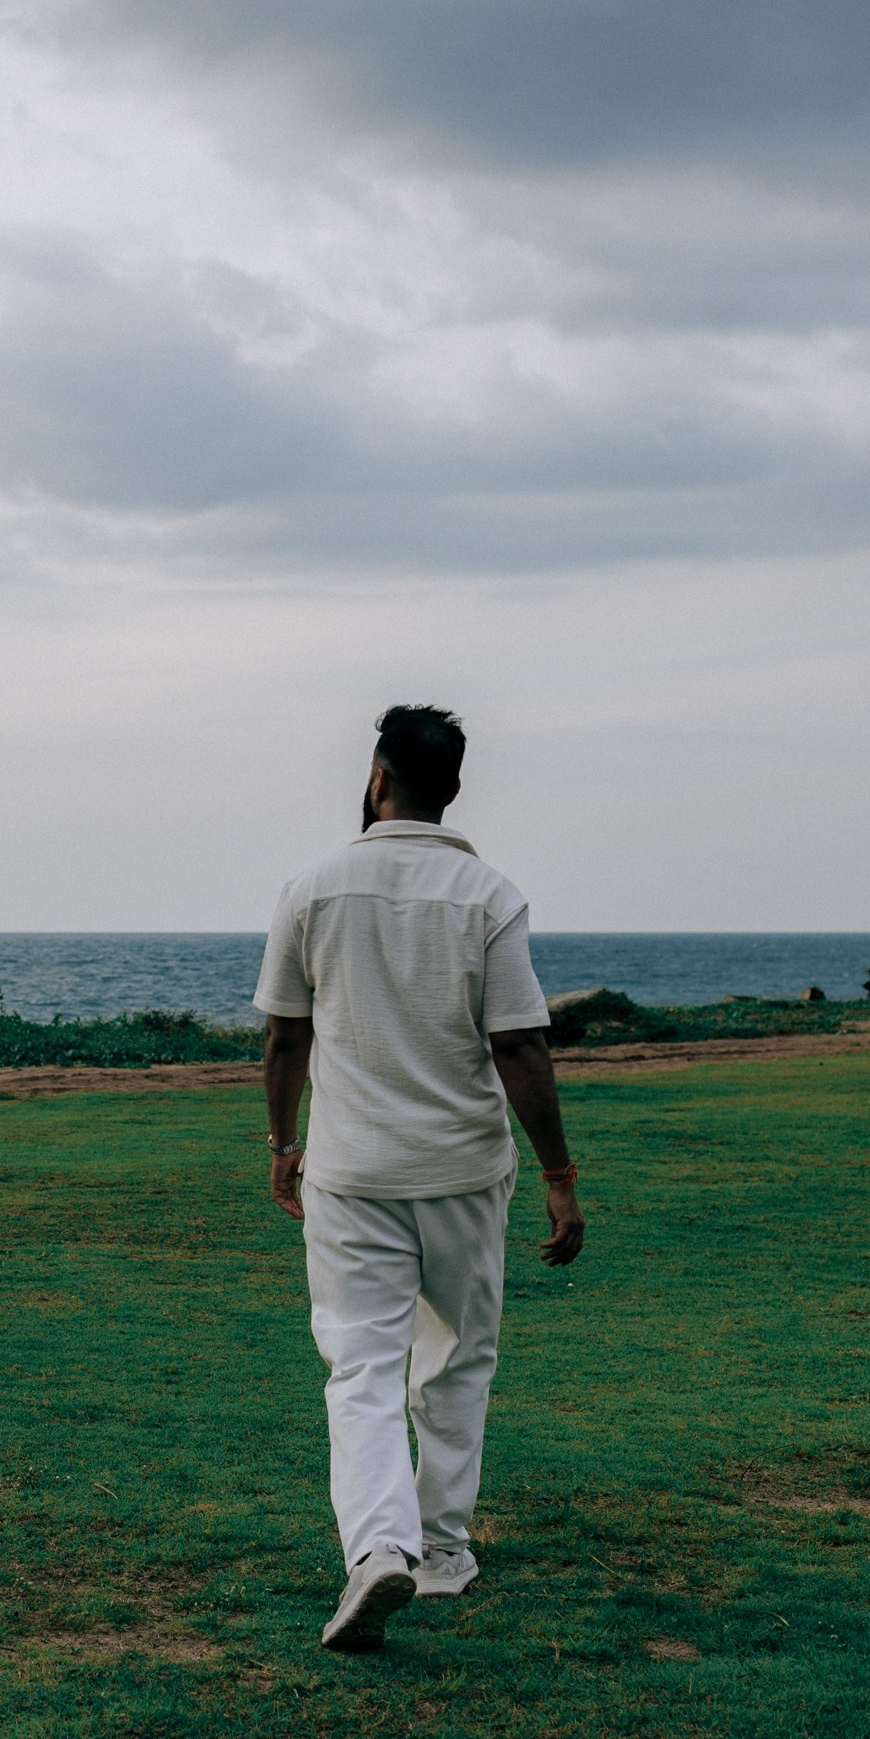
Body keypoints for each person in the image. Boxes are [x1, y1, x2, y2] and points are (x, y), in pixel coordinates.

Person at [254, 705, 584, 1654]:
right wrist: (560, 1175)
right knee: (456, 1359)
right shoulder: (486, 893)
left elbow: (284, 1034)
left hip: (352, 1171)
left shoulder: (313, 887)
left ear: (376, 775)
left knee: (360, 1364)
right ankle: (439, 1552)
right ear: (453, 787)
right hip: (464, 1171)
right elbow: (519, 1042)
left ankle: (378, 1550)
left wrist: (283, 1142)